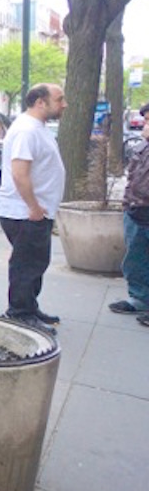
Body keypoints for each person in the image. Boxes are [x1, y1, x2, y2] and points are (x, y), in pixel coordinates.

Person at [0, 83, 67, 335]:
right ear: (40, 102)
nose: (64, 104)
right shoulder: (26, 130)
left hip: (35, 211)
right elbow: (19, 173)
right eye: (59, 99)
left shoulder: (37, 128)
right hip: (25, 213)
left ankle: (29, 306)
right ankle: (20, 314)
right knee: (26, 265)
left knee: (36, 263)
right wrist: (34, 207)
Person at [110, 100, 149, 328]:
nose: (145, 124)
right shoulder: (141, 147)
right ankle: (140, 299)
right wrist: (126, 205)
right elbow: (132, 179)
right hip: (137, 213)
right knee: (135, 260)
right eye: (145, 120)